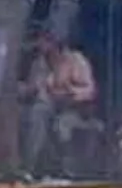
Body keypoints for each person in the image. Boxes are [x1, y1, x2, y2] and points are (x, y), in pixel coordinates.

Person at [20, 27, 97, 178]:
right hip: (44, 108)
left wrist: (71, 93)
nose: (40, 45)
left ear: (56, 43)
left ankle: (65, 170)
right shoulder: (39, 64)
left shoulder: (76, 60)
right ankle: (28, 167)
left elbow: (90, 90)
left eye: (45, 41)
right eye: (40, 41)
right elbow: (33, 88)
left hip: (73, 110)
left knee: (57, 123)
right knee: (30, 115)